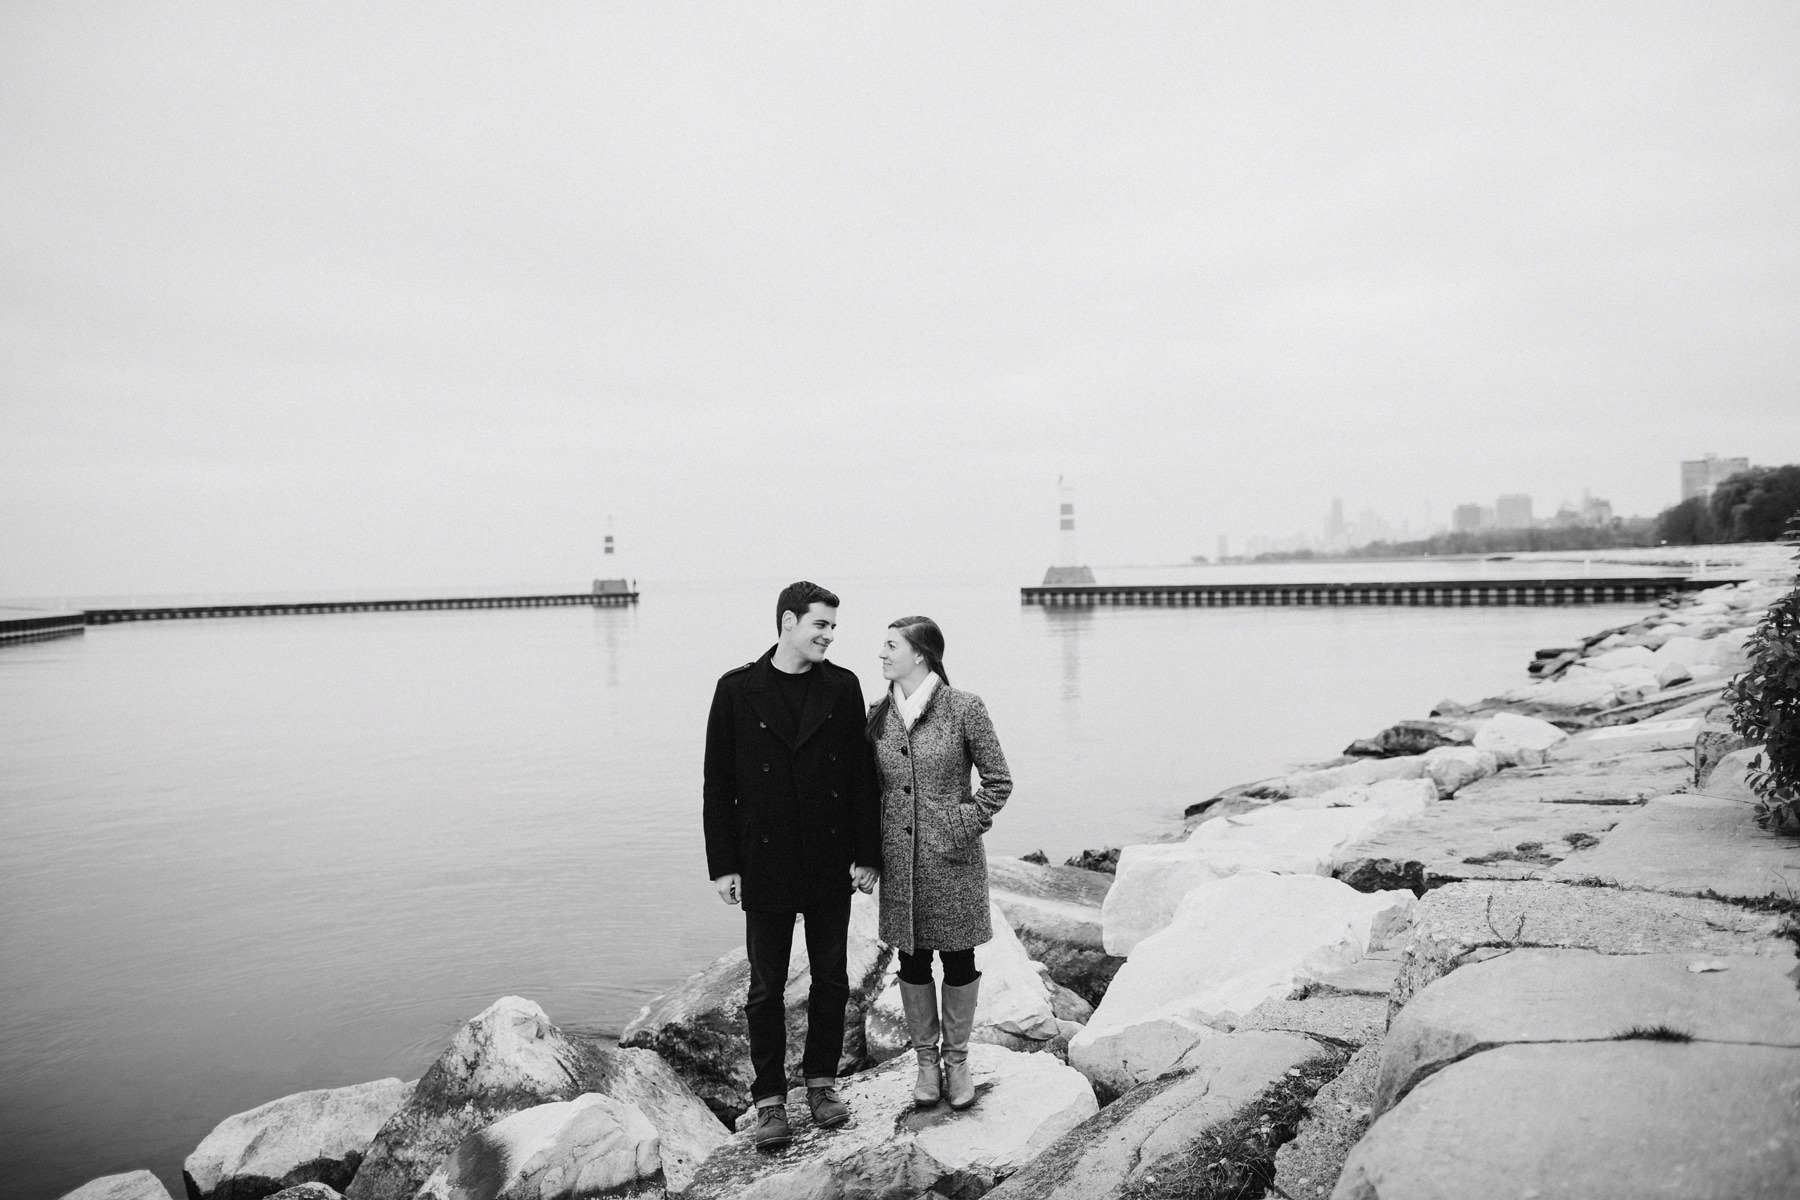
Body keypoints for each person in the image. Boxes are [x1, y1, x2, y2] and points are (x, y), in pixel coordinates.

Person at [703, 581, 882, 1151]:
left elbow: (861, 777)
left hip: (830, 859)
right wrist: (722, 864)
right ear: (788, 622)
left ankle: (822, 1085)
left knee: (832, 978)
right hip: (765, 862)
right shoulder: (736, 690)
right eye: (820, 625)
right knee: (765, 988)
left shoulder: (843, 686)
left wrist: (867, 853)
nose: (829, 635)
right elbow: (718, 785)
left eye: (833, 627)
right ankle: (770, 1100)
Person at [867, 615, 1012, 1110]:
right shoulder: (876, 715)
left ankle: (959, 1060)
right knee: (910, 959)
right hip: (899, 864)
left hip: (953, 861)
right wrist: (867, 855)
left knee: (958, 958)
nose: (882, 655)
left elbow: (998, 782)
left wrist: (960, 824)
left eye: (890, 647)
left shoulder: (964, 708)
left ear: (920, 654)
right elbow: (871, 793)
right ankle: (926, 1064)